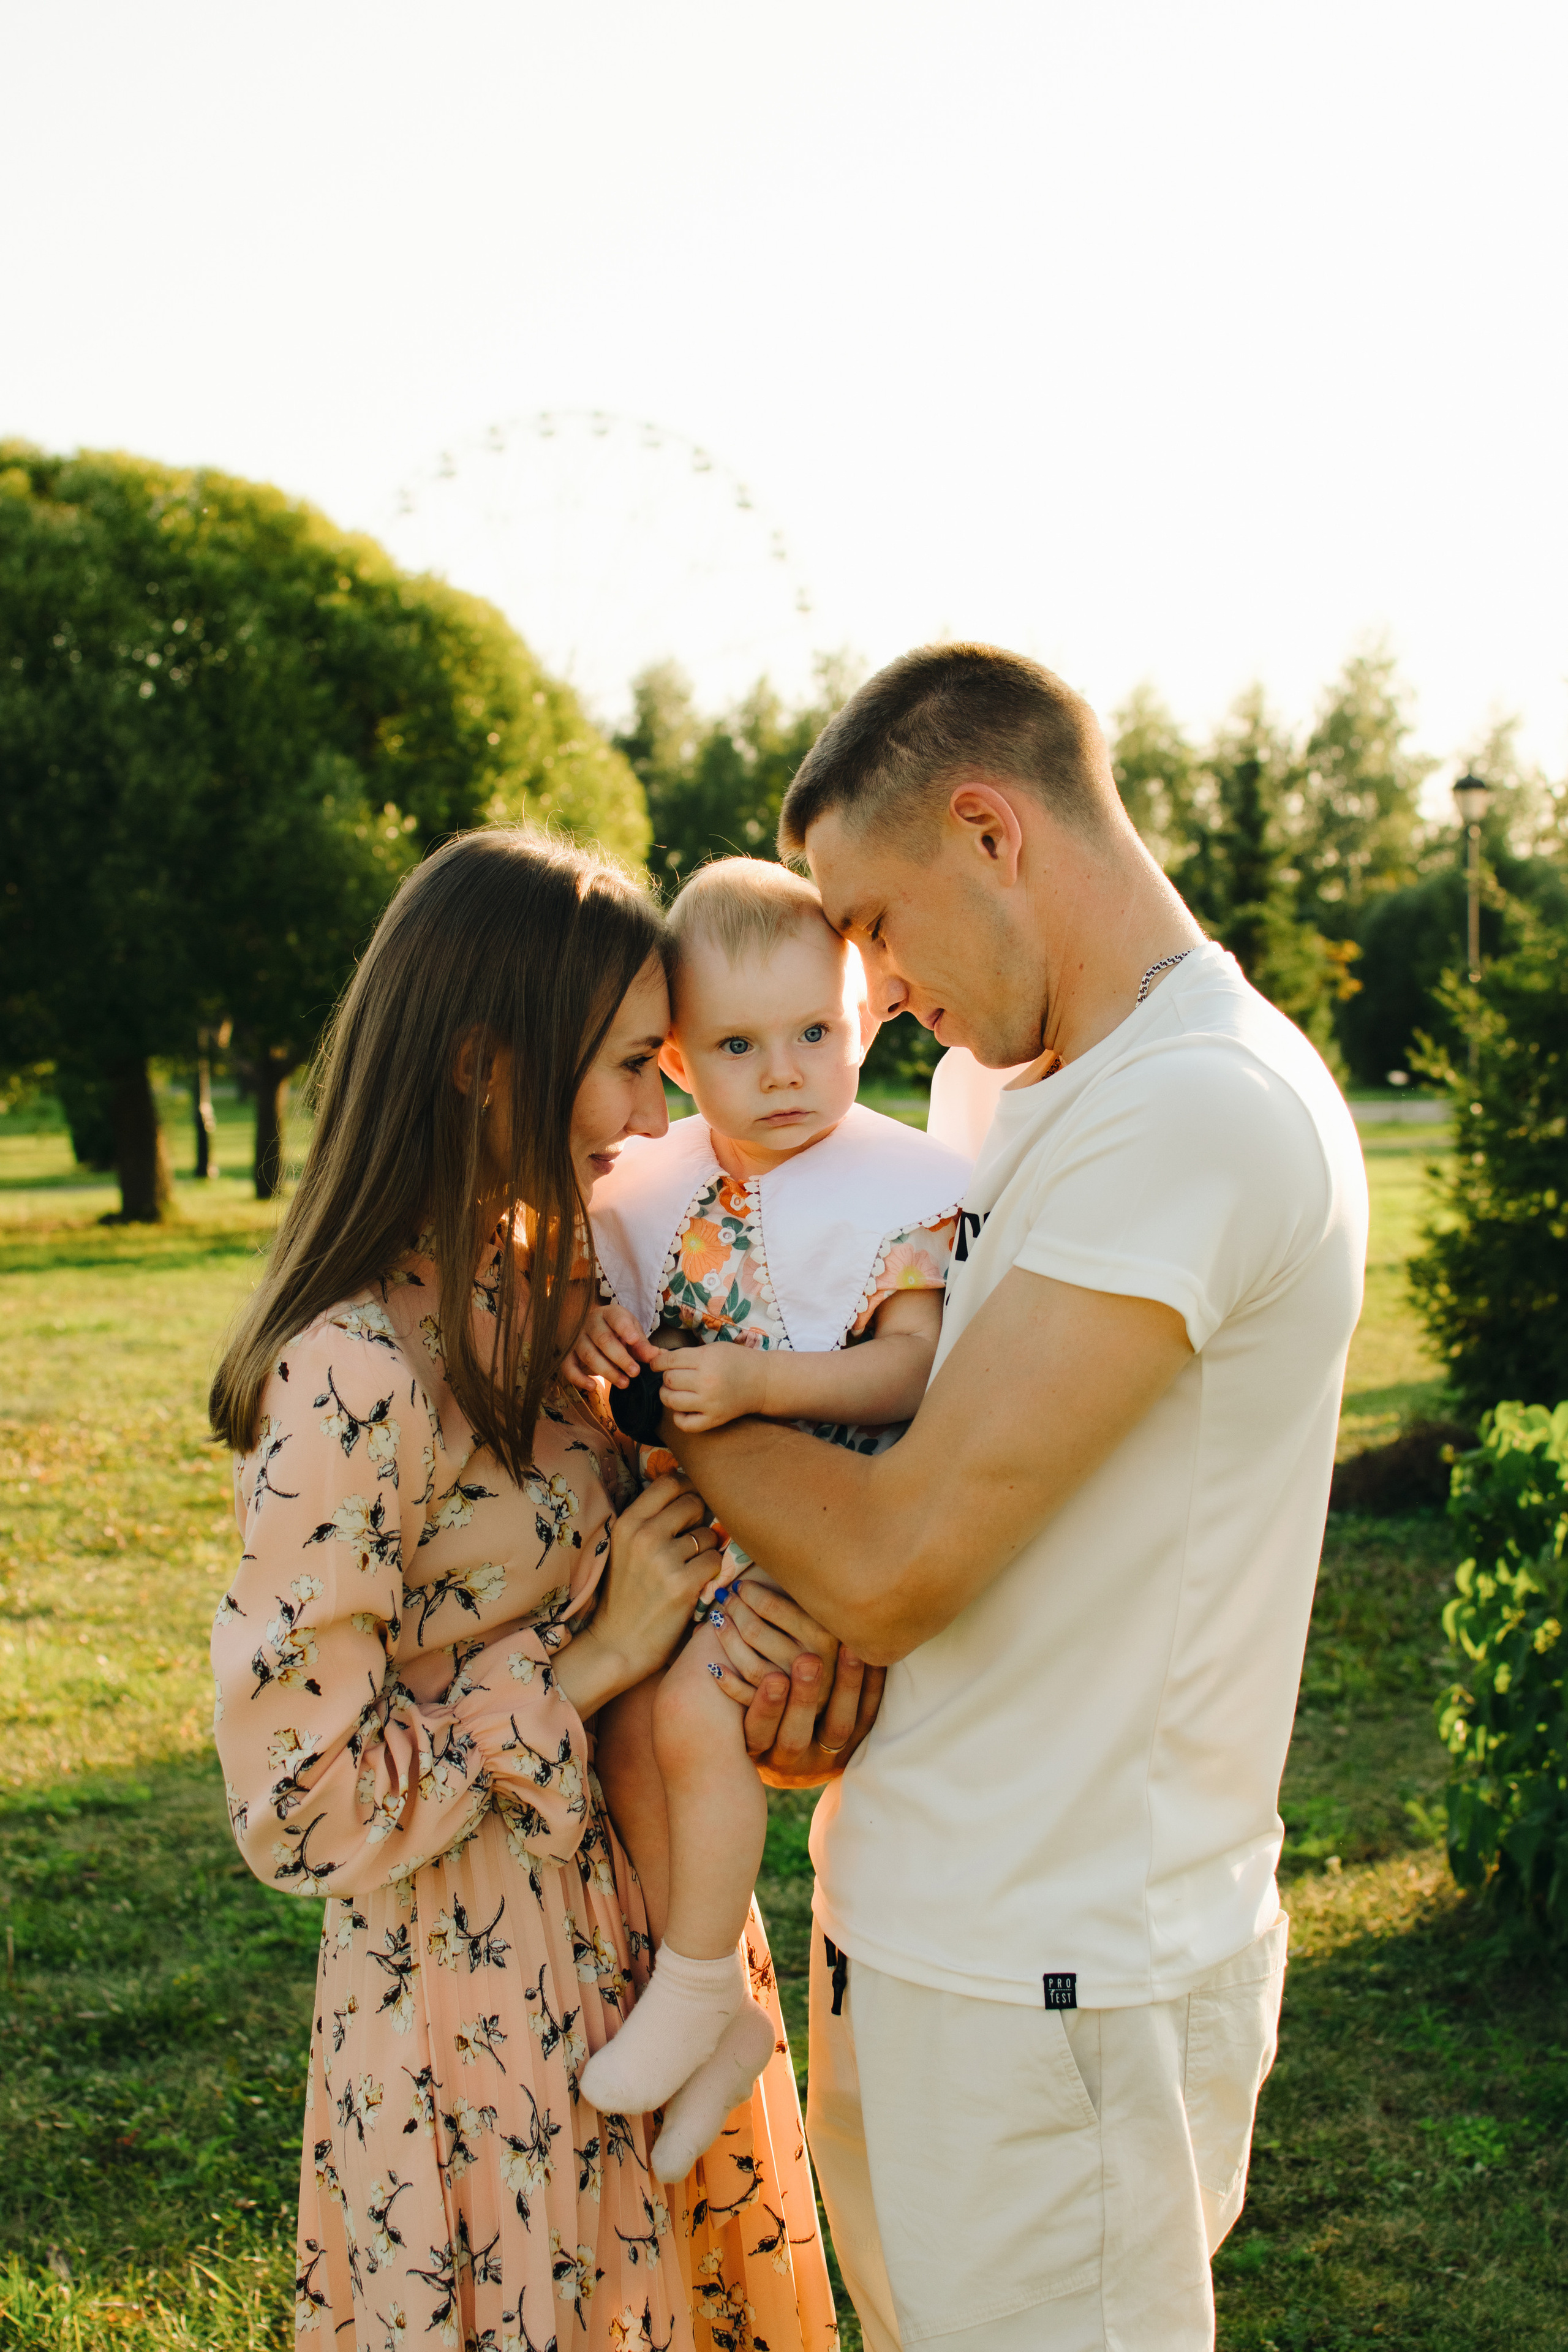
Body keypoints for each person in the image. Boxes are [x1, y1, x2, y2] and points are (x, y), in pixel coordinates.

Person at [669, 646, 1370, 2352]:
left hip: (1062, 1974)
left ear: (992, 830)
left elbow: (903, 1557)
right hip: (904, 1920)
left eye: (878, 924)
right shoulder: (1005, 1092)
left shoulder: (1204, 1111)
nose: (879, 994)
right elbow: (920, 1501)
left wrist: (650, 1396)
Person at [208, 829, 865, 2352]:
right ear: (485, 1066)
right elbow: (297, 1804)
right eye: (630, 1065)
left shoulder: (568, 1282)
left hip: (666, 1946)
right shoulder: (351, 1373)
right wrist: (587, 1663)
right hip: (476, 2004)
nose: (653, 1117)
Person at [559, 858, 970, 2177]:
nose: (786, 1073)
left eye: (817, 1035)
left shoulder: (894, 1186)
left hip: (823, 1511)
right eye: (739, 1046)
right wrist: (590, 1326)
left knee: (687, 1715)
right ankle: (719, 2013)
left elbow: (909, 1366)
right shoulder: (647, 1182)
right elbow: (596, 1300)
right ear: (677, 1062)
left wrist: (755, 1383)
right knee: (631, 1729)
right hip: (703, 1532)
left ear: (861, 1023)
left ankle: (694, 1996)